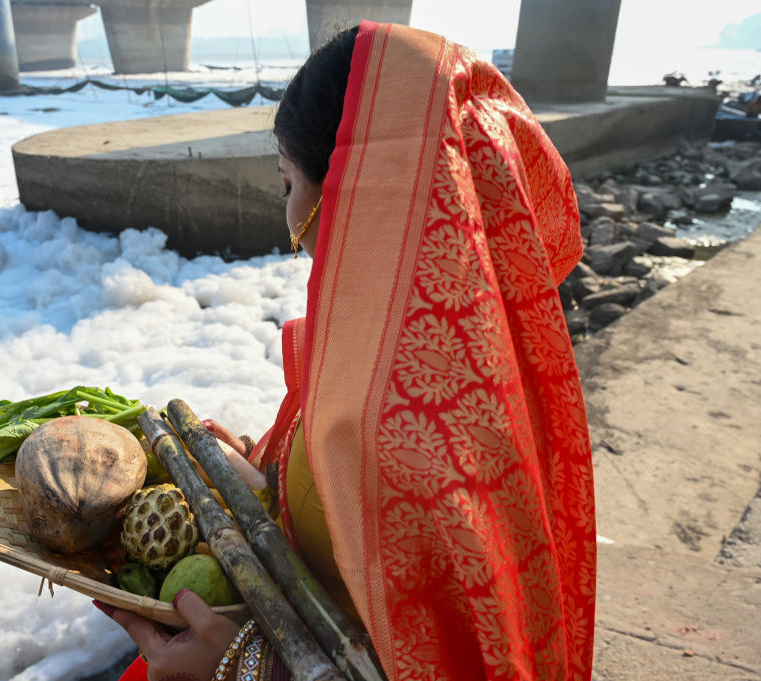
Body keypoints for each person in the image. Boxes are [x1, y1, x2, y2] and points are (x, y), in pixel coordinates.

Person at [97, 20, 597, 681]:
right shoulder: (458, 363)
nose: (290, 223)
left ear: (354, 193)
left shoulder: (404, 432)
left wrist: (240, 666)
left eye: (286, 183)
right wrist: (262, 473)